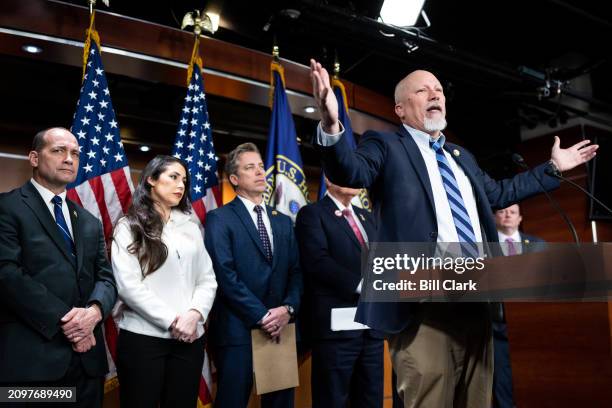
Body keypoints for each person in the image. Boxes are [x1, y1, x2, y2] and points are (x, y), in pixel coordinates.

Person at [309, 59, 598, 407]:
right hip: (423, 304)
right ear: (400, 108)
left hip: (478, 298)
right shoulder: (386, 146)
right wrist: (330, 121)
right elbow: (348, 170)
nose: (435, 94)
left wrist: (552, 168)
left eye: (439, 90)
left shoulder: (461, 156)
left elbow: (500, 194)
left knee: (476, 401)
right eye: (423, 89)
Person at [0, 127, 117, 407]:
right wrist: (71, 322)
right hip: (32, 365)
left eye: (75, 153)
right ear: (34, 158)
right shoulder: (7, 207)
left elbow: (106, 278)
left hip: (87, 365)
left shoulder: (89, 220)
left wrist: (94, 312)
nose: (69, 159)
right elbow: (7, 274)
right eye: (58, 151)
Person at [111, 155, 217, 408]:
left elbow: (207, 279)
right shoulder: (129, 226)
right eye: (173, 177)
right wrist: (172, 321)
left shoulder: (190, 226)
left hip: (190, 338)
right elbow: (128, 286)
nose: (181, 185)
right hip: (143, 338)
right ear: (151, 180)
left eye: (184, 180)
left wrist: (194, 314)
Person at [204, 142, 302, 408]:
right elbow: (225, 275)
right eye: (250, 168)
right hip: (238, 331)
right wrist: (262, 316)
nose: (261, 172)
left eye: (261, 166)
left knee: (280, 403)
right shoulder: (219, 218)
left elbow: (296, 271)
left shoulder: (282, 220)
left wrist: (288, 309)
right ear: (234, 179)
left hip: (280, 328)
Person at [295, 178, 384, 408]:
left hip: (371, 330)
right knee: (332, 400)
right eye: (345, 173)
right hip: (336, 332)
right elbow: (317, 261)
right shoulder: (312, 214)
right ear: (327, 178)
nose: (352, 180)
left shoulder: (368, 216)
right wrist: (362, 285)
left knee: (371, 400)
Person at [492, 203, 545, 408]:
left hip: (532, 325)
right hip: (497, 325)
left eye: (512, 212)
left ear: (520, 218)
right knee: (502, 380)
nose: (507, 215)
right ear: (494, 217)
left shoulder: (538, 244)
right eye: (502, 211)